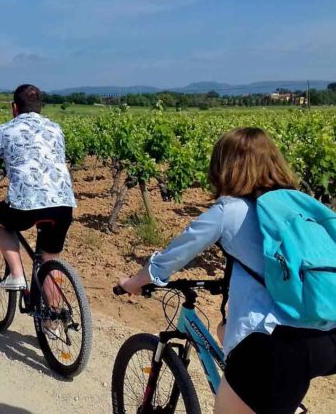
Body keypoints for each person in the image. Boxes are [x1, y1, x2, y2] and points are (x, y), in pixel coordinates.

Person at [117, 128, 336, 414]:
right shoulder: (298, 205)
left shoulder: (229, 210)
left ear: (224, 168)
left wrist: (133, 282)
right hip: (327, 337)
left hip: (276, 347)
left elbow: (171, 257)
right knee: (226, 332)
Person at [0, 84, 76, 291]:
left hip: (25, 204)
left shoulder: (6, 130)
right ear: (40, 107)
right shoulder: (56, 129)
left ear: (14, 107)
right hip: (63, 203)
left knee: (2, 224)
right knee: (50, 259)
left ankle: (16, 274)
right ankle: (54, 320)